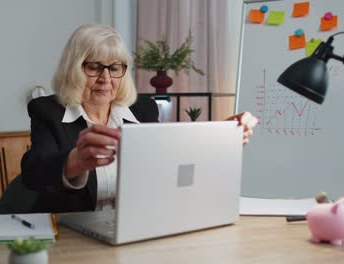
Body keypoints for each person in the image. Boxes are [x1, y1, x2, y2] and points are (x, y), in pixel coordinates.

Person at [21, 24, 258, 213]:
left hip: (136, 228)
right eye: (94, 67)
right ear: (73, 69)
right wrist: (76, 161)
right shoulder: (48, 110)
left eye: (115, 68)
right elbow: (33, 171)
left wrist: (221, 137)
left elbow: (167, 164)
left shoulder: (143, 109)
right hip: (70, 237)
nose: (106, 78)